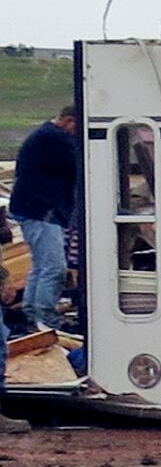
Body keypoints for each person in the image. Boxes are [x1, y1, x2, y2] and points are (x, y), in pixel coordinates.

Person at [10, 95, 78, 336]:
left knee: (41, 266)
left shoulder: (46, 136)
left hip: (33, 208)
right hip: (40, 210)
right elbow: (80, 164)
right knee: (54, 267)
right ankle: (45, 320)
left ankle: (31, 315)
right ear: (69, 121)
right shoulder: (54, 140)